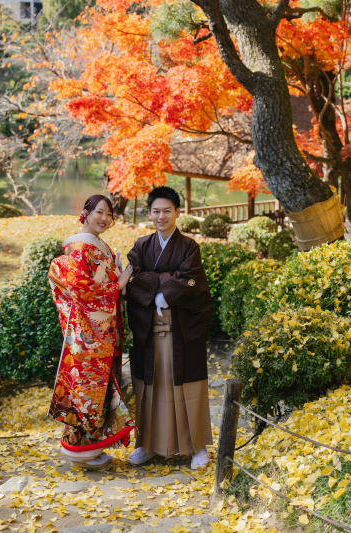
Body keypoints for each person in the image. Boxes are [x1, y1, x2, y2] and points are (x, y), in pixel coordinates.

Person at [124, 186, 213, 469]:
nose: (161, 216)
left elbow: (192, 282)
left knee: (186, 388)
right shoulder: (140, 246)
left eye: (167, 211)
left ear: (177, 212)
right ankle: (147, 444)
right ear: (148, 213)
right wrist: (165, 284)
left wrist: (157, 288)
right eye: (156, 211)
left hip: (182, 330)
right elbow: (132, 279)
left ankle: (197, 446)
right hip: (149, 329)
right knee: (151, 389)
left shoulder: (189, 247)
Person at [48, 194, 135, 468]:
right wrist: (118, 284)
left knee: (99, 389)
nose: (105, 219)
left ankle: (91, 448)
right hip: (87, 332)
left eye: (109, 215)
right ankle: (80, 451)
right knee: (86, 389)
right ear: (84, 213)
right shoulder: (79, 247)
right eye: (99, 212)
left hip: (101, 329)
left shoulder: (97, 246)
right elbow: (82, 291)